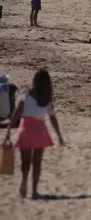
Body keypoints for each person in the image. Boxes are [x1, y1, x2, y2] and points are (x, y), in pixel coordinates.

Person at [4, 69, 65, 199]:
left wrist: (8, 130)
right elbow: (53, 119)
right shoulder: (46, 100)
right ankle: (34, 191)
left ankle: (24, 178)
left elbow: (16, 114)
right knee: (37, 163)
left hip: (25, 129)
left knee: (25, 162)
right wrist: (59, 136)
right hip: (39, 131)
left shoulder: (25, 95)